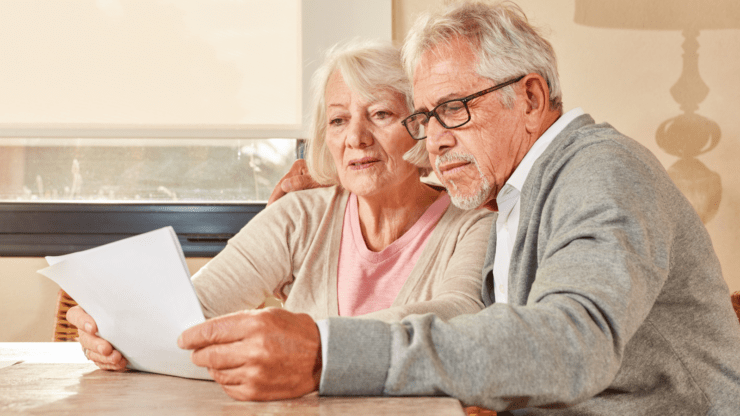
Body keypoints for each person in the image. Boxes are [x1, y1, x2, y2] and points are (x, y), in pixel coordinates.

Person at [175, 1, 740, 413]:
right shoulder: (511, 193)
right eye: (424, 118)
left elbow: (572, 345)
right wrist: (324, 177)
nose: (436, 139)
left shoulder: (601, 171)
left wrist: (329, 350)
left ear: (532, 98)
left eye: (454, 109)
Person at [66, 40, 494, 384]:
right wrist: (112, 326)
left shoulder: (471, 220)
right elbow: (193, 312)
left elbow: (461, 315)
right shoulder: (300, 215)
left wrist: (314, 342)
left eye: (380, 114)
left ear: (419, 125)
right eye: (339, 120)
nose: (356, 138)